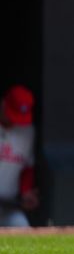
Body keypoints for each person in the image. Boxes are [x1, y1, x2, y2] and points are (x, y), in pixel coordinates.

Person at [0, 85, 38, 227]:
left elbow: (27, 167)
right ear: (3, 104)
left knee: (22, 226)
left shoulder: (27, 132)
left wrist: (26, 192)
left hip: (9, 204)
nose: (15, 121)